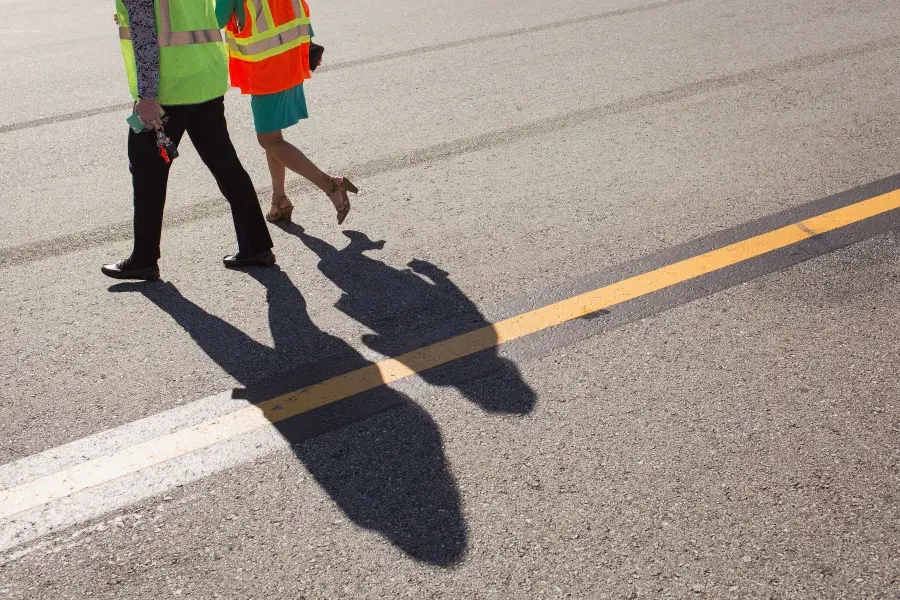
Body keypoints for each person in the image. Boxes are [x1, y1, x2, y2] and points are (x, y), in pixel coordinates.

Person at [102, 0, 277, 282]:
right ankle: (256, 245)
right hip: (205, 76)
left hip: (170, 88)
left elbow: (147, 37)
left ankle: (144, 260)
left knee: (147, 171)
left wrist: (147, 96)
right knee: (226, 165)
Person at [216, 0, 358, 225]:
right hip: (289, 60)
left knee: (269, 140)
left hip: (266, 70)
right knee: (274, 137)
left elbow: (216, 20)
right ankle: (279, 200)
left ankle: (330, 184)